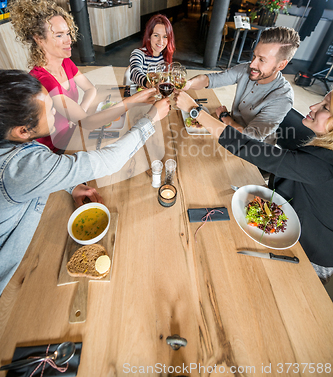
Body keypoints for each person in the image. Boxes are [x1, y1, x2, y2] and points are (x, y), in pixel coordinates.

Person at [0, 69, 170, 295]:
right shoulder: (18, 168)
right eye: (50, 111)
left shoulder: (12, 144)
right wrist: (151, 119)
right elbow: (109, 161)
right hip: (14, 277)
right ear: (23, 131)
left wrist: (71, 184)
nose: (55, 112)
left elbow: (43, 172)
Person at [175, 89, 333, 283]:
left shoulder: (324, 166)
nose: (312, 107)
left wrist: (196, 111)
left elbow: (249, 148)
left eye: (325, 107)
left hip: (310, 254)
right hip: (290, 219)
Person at [8, 0, 154, 153]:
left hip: (77, 131)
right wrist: (133, 100)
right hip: (58, 149)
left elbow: (91, 89)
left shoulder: (65, 62)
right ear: (39, 40)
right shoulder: (42, 80)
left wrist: (80, 110)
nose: (68, 40)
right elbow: (88, 122)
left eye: (68, 33)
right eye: (59, 35)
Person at [184, 27, 300, 143]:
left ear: (281, 65)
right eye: (254, 56)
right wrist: (188, 84)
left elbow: (250, 138)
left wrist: (226, 118)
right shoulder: (245, 69)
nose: (252, 64)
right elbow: (211, 79)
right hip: (229, 129)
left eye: (262, 60)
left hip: (251, 151)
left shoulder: (282, 97)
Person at [130, 13, 175, 87]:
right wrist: (148, 83)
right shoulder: (138, 53)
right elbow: (134, 73)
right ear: (149, 36)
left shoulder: (164, 56)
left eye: (165, 36)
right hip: (140, 95)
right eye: (156, 35)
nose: (161, 41)